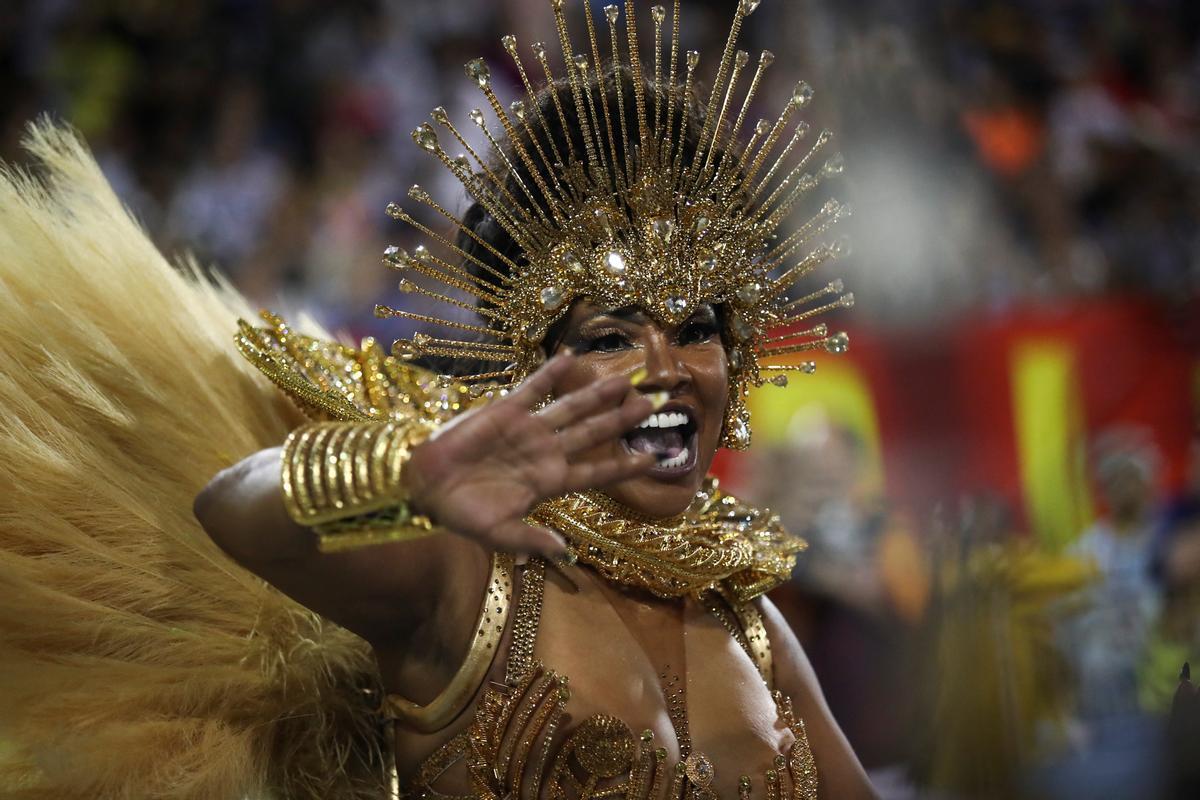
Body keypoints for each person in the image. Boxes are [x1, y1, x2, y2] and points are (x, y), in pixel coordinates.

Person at [0, 2, 872, 798]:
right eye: (612, 337)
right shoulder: (474, 574)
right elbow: (230, 510)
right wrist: (411, 478)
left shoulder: (748, 620)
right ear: (537, 368)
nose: (667, 367)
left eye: (698, 327)